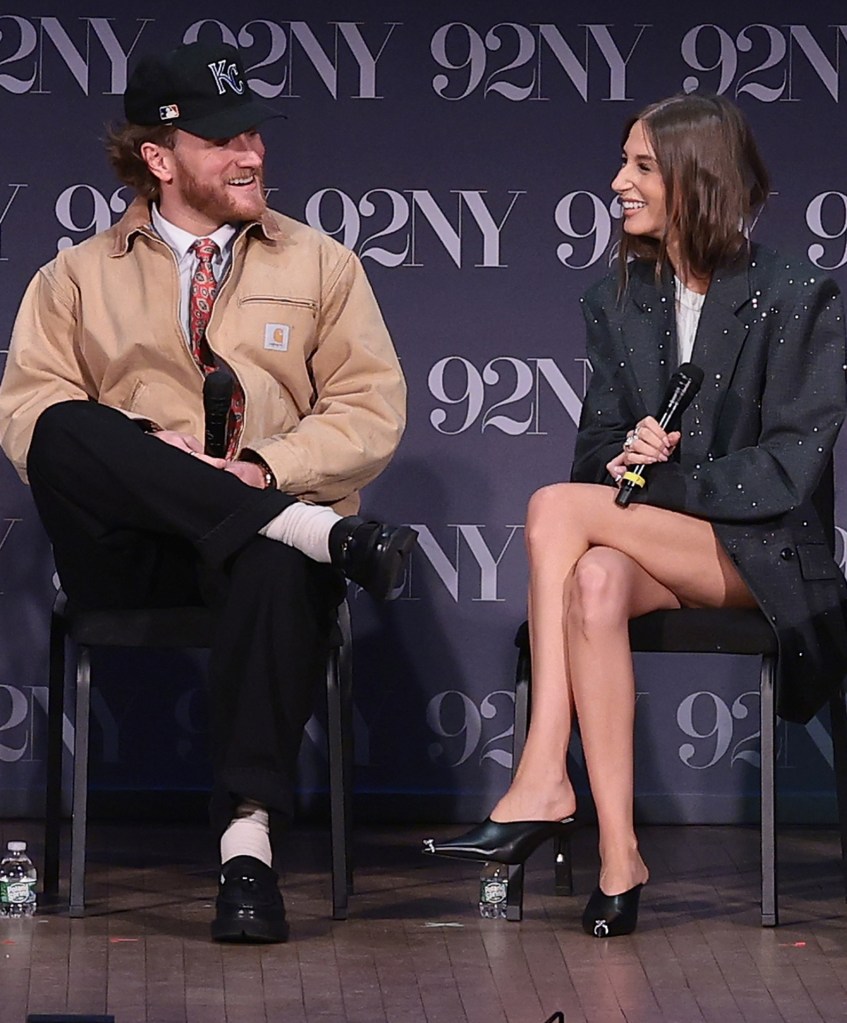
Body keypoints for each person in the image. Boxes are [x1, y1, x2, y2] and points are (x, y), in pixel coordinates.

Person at [0, 40, 416, 943]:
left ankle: (246, 846)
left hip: (259, 551)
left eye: (255, 132)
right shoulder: (73, 277)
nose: (251, 153)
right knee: (67, 426)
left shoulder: (322, 266)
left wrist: (264, 471)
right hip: (132, 553)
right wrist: (151, 450)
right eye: (225, 139)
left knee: (268, 558)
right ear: (159, 157)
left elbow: (371, 410)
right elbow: (31, 416)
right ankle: (307, 530)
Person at [423, 93, 847, 937]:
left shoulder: (796, 291)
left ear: (699, 179)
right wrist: (623, 457)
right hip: (660, 545)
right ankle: (620, 855)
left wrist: (668, 475)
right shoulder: (618, 296)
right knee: (591, 578)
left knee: (551, 510)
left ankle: (542, 769)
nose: (618, 182)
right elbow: (592, 459)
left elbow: (789, 470)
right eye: (622, 163)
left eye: (641, 167)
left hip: (763, 555)